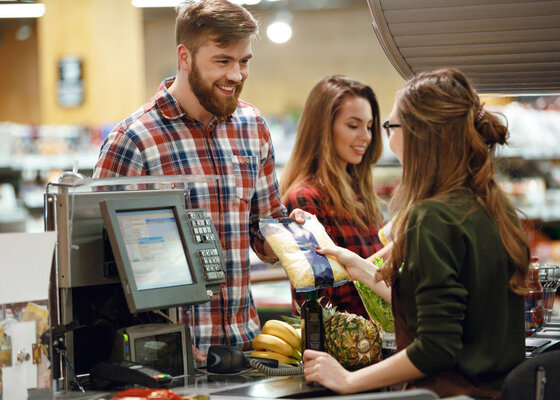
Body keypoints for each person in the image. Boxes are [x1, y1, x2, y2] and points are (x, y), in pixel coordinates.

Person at [93, 0, 305, 359]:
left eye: (244, 62)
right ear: (185, 56)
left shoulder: (253, 127)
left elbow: (263, 229)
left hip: (247, 350)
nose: (236, 75)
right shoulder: (134, 140)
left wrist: (293, 236)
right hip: (168, 357)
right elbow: (99, 269)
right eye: (222, 61)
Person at [303, 68, 530, 398]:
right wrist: (358, 267)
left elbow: (436, 348)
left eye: (390, 126)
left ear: (418, 135)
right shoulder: (495, 207)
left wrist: (349, 380)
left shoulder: (432, 217)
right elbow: (450, 315)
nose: (383, 137)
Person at [279, 75, 385, 316]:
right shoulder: (305, 199)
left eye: (369, 126)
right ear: (323, 129)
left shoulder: (361, 193)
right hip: (340, 349)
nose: (366, 137)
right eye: (353, 125)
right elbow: (320, 298)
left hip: (375, 345)